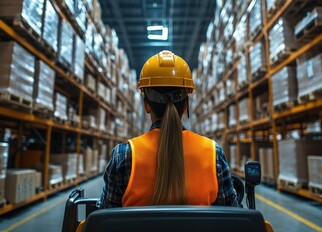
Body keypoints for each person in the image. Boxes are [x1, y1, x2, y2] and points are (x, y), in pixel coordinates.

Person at [98, 50, 238, 208]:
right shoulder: (213, 153)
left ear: (146, 106)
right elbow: (231, 216)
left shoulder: (123, 155)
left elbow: (106, 216)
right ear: (185, 106)